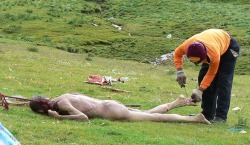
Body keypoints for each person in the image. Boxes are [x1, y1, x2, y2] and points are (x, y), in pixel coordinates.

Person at [174, 29, 240, 123]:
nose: (196, 64)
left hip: (229, 48)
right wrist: (179, 71)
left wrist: (200, 90)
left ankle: (221, 116)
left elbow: (211, 73)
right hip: (213, 44)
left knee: (223, 82)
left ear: (204, 55)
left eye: (198, 62)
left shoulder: (213, 55)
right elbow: (177, 53)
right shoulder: (187, 46)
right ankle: (207, 114)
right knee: (202, 77)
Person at [29, 93, 210, 124]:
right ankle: (176, 103)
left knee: (153, 118)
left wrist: (58, 118)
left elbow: (83, 117)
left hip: (114, 112)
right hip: (111, 104)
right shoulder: (63, 96)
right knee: (147, 113)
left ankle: (193, 119)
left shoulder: (62, 105)